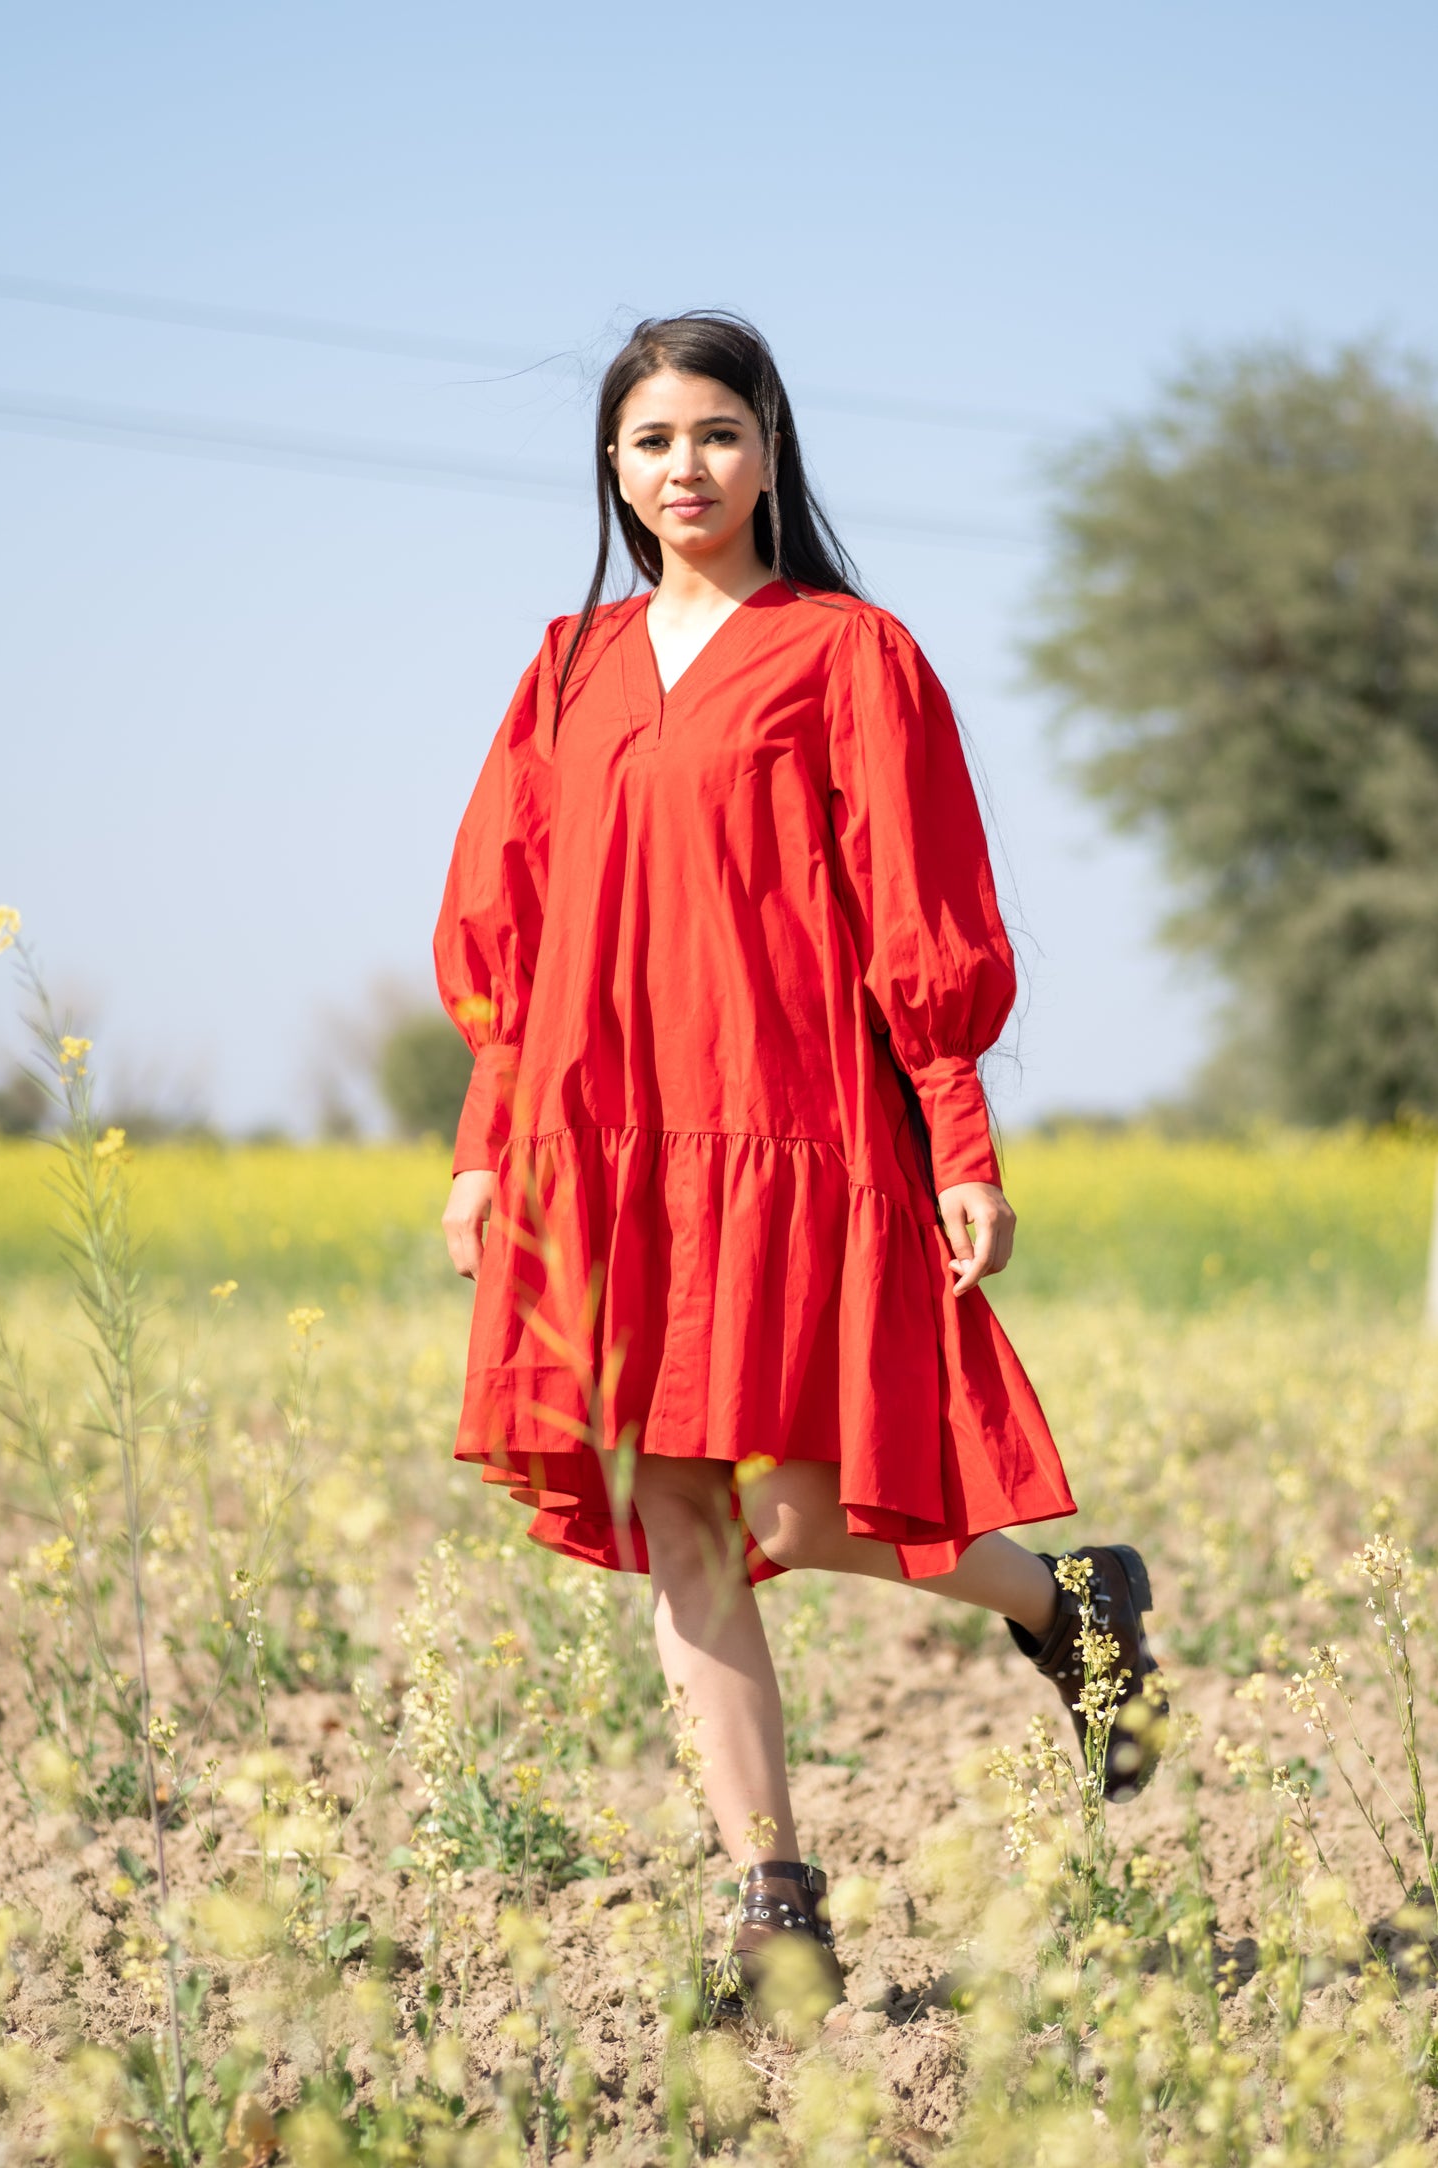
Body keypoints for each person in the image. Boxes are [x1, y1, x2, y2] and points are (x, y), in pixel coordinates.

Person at [434, 311, 1165, 2010]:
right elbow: (512, 931)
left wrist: (959, 1137)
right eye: (647, 442)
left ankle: (1066, 1603)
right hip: (597, 1137)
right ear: (609, 471)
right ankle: (775, 1909)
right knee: (673, 1510)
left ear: (768, 449)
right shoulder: (563, 667)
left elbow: (919, 913)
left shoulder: (849, 652)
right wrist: (486, 1151)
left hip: (793, 1122)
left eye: (712, 433)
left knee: (786, 1500)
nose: (680, 468)